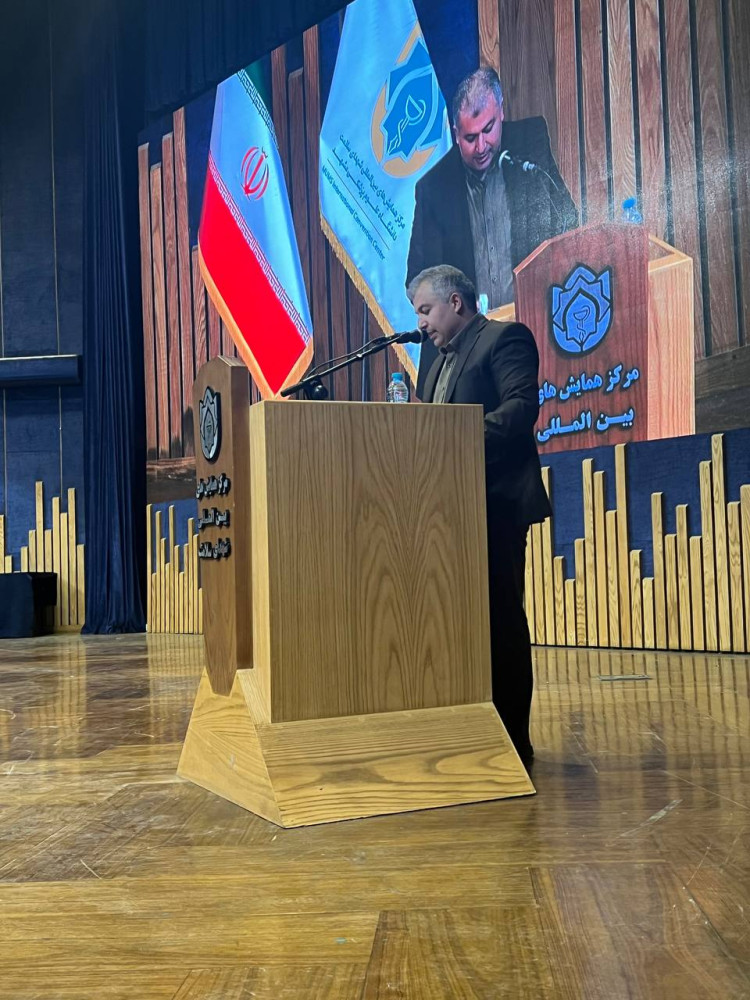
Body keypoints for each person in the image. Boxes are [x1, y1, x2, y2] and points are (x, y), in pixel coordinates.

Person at [407, 264, 551, 765]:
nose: (421, 323)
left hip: (494, 505)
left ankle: (513, 742)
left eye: (426, 310)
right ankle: (470, 734)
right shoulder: (435, 366)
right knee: (455, 624)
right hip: (445, 512)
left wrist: (453, 437)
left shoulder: (503, 339)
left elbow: (520, 409)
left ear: (456, 302)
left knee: (500, 621)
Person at [407, 67, 577, 397]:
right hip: (468, 354)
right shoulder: (434, 187)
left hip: (537, 335)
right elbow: (417, 279)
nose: (482, 145)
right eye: (470, 138)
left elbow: (567, 224)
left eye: (488, 129)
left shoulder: (529, 145)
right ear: (455, 133)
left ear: (501, 112)